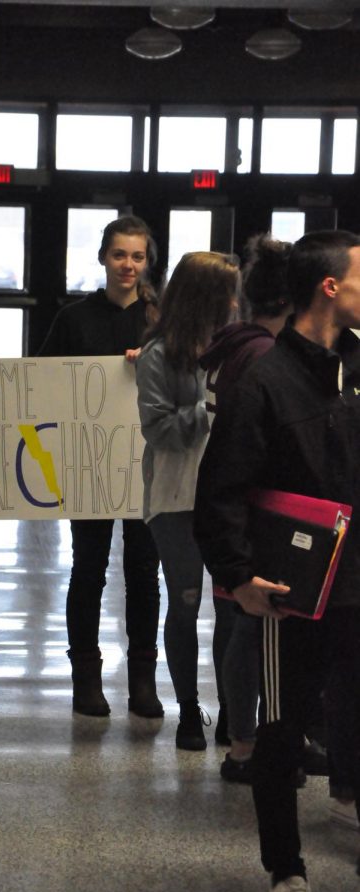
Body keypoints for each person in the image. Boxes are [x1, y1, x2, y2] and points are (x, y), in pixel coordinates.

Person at [194, 230, 360, 892]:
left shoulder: (357, 366)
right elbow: (220, 492)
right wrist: (238, 577)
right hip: (292, 591)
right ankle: (285, 868)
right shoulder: (265, 380)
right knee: (284, 728)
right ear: (331, 287)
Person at [36, 215, 164, 719]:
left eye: (137, 256)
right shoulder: (74, 318)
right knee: (88, 570)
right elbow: (38, 379)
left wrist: (149, 365)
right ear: (103, 259)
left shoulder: (161, 321)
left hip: (146, 467)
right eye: (119, 255)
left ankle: (142, 681)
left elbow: (183, 382)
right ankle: (85, 678)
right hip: (88, 465)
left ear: (147, 261)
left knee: (144, 575)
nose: (128, 265)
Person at [199, 234, 297, 774]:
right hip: (254, 509)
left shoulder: (234, 344)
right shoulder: (262, 353)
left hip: (237, 508)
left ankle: (243, 735)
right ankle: (243, 740)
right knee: (249, 626)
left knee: (241, 623)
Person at [135, 250, 240, 750]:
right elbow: (159, 430)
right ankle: (188, 713)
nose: (237, 303)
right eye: (229, 293)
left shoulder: (238, 349)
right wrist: (210, 404)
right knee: (185, 605)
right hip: (175, 498)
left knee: (233, 607)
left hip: (226, 498)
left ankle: (233, 713)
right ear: (208, 298)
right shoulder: (159, 355)